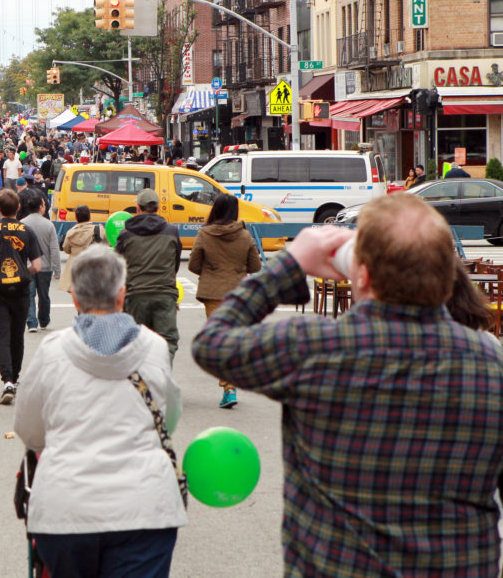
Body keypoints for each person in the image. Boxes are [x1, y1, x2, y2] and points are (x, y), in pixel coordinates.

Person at [192, 193, 503, 576]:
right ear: (447, 277)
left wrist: (289, 266)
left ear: (364, 275)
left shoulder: (316, 349)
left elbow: (212, 344)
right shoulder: (490, 365)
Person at [14, 246, 186, 578]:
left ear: (75, 299)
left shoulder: (53, 351)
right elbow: (169, 418)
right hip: (145, 509)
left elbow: (28, 429)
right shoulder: (155, 348)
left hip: (64, 512)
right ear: (122, 295)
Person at [187, 194, 261, 409]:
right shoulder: (245, 235)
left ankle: (228, 388)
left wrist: (211, 270)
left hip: (212, 294)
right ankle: (232, 383)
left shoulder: (204, 233)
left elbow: (193, 264)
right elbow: (255, 266)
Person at [0, 189, 43, 405]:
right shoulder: (27, 231)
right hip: (20, 291)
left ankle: (7, 381)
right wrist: (21, 270)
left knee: (1, 335)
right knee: (17, 335)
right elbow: (38, 266)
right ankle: (16, 376)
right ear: (18, 208)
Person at [115, 189, 182, 362]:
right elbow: (175, 264)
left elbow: (118, 266)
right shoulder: (171, 231)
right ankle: (160, 377)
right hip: (165, 294)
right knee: (167, 341)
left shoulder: (126, 234)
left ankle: (141, 382)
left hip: (135, 295)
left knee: (136, 343)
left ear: (137, 207)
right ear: (158, 208)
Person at [21, 192, 61, 333]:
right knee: (44, 295)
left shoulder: (23, 224)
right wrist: (57, 270)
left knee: (29, 294)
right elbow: (54, 249)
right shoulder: (48, 225)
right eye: (44, 205)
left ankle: (31, 322)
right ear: (40, 208)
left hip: (27, 267)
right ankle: (44, 319)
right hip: (45, 267)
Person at [58, 205, 104, 293]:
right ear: (90, 216)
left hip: (75, 270)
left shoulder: (70, 233)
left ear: (76, 217)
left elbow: (66, 249)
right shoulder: (98, 230)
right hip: (93, 269)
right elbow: (107, 244)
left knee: (79, 298)